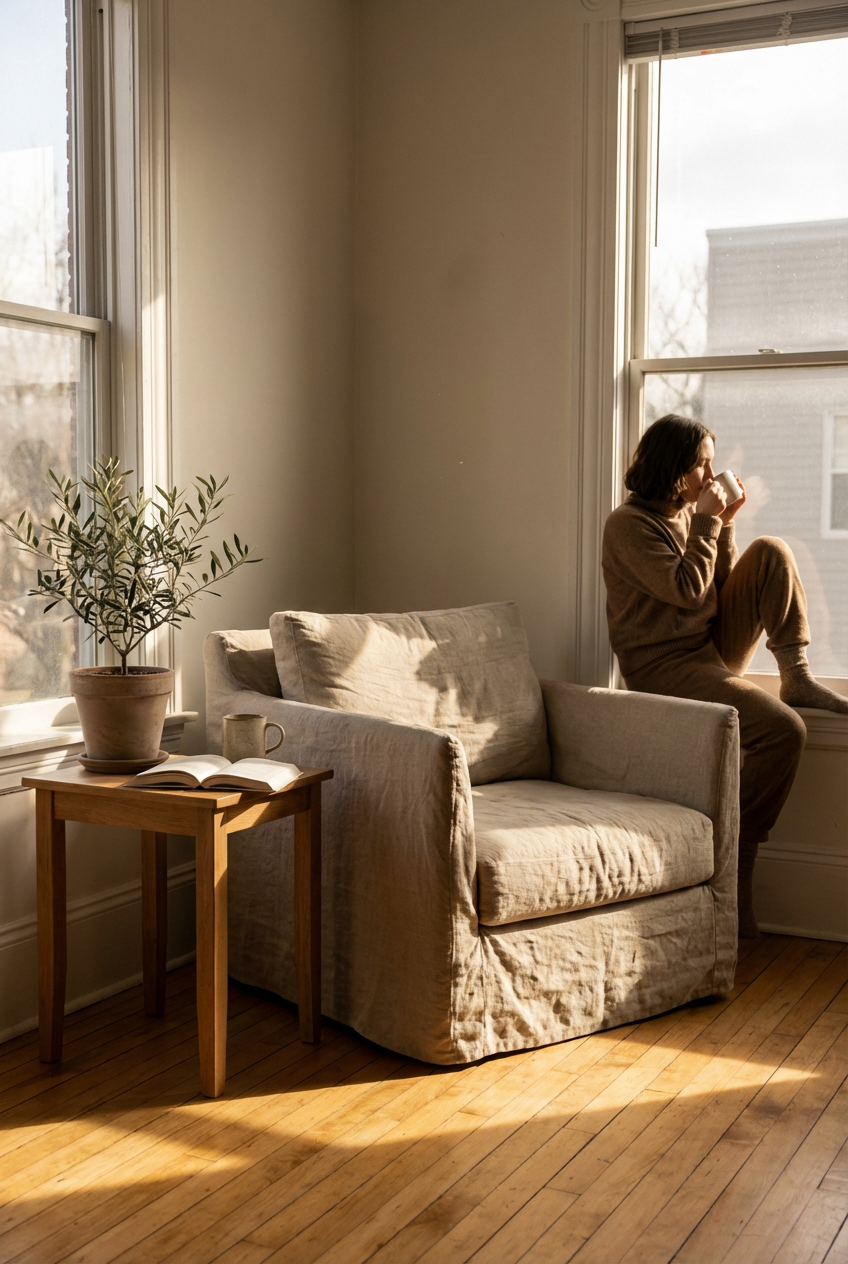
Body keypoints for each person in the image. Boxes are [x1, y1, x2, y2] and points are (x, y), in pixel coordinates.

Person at [602, 413, 847, 939]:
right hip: (664, 667)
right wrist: (710, 522)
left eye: (712, 463)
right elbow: (687, 592)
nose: (711, 475)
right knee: (784, 731)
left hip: (707, 645)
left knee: (772, 551)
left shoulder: (689, 514)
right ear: (673, 467)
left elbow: (716, 587)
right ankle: (739, 853)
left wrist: (727, 522)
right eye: (702, 464)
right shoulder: (627, 525)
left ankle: (796, 673)